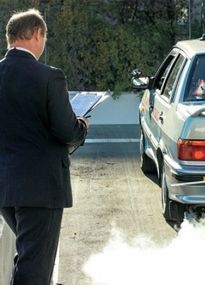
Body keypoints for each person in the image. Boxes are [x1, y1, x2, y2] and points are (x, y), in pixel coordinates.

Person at [0, 9, 89, 285]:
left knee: (28, 258)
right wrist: (83, 126)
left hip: (5, 188)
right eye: (44, 37)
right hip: (41, 189)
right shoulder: (49, 77)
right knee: (34, 269)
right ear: (37, 33)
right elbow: (67, 131)